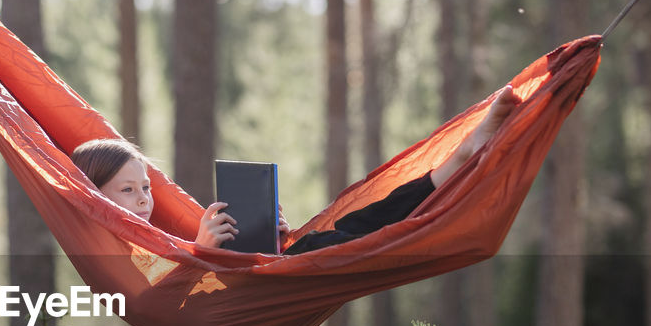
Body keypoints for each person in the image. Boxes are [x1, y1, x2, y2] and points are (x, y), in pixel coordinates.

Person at [70, 84, 519, 254]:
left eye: (145, 186)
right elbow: (165, 300)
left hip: (262, 271)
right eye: (127, 191)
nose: (144, 198)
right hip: (250, 293)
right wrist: (204, 249)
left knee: (354, 225)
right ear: (96, 195)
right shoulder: (109, 253)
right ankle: (453, 170)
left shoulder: (152, 235)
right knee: (347, 242)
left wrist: (262, 233)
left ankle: (453, 165)